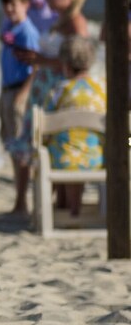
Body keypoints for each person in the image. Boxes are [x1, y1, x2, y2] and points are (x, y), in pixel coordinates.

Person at [10, 0, 90, 214]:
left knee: (50, 140)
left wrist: (42, 60)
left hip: (56, 88)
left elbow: (80, 61)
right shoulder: (59, 20)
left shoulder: (76, 23)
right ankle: (26, 201)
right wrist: (36, 60)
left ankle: (52, 203)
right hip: (43, 85)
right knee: (30, 140)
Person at [44, 35, 105, 217]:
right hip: (97, 158)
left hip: (63, 159)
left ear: (66, 66)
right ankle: (72, 208)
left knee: (59, 146)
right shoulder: (103, 88)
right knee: (84, 144)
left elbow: (46, 122)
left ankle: (69, 208)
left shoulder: (59, 90)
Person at [0, 0, 40, 215]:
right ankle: (19, 198)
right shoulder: (10, 27)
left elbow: (36, 66)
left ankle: (22, 201)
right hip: (6, 89)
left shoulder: (27, 31)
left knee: (20, 148)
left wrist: (23, 95)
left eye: (14, 4)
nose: (9, 9)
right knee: (10, 143)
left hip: (18, 91)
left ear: (25, 4)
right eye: (6, 4)